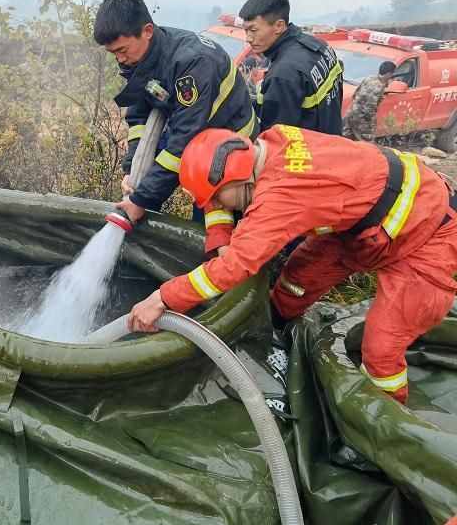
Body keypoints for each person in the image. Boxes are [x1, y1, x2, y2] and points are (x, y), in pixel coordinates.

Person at [129, 125, 457, 404]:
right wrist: (219, 241)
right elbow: (222, 213)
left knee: (381, 350)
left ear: (237, 179)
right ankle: (276, 341)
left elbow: (236, 268)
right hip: (361, 223)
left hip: (427, 235)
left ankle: (386, 426)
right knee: (295, 282)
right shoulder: (270, 143)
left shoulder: (281, 195)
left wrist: (161, 299)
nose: (212, 207)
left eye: (216, 198)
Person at [93, 0, 256, 256]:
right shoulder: (143, 56)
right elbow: (138, 117)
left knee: (216, 222)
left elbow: (183, 141)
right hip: (199, 139)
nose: (120, 59)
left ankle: (227, 271)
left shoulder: (191, 63)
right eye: (113, 54)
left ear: (146, 30)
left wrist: (141, 200)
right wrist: (133, 167)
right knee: (206, 222)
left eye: (122, 50)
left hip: (234, 151)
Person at [240, 0, 343, 135]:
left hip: (306, 153)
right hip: (331, 143)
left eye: (254, 30)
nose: (248, 38)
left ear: (279, 26)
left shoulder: (283, 75)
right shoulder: (319, 46)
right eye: (246, 31)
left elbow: (275, 139)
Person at [343, 61, 397, 142]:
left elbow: (355, 94)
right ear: (389, 74)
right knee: (366, 144)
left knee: (346, 141)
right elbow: (369, 109)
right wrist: (371, 124)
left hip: (351, 114)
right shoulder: (378, 87)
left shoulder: (369, 78)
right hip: (362, 120)